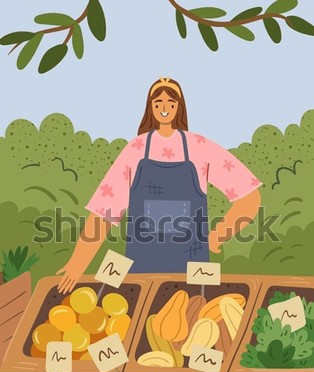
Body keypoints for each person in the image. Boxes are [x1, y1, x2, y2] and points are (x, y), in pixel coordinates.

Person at [57, 78, 261, 293]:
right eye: (158, 103)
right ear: (150, 108)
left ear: (179, 108)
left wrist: (218, 235)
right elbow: (103, 212)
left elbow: (250, 197)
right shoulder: (135, 149)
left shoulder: (199, 147)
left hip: (194, 269)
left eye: (171, 103)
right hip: (142, 269)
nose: (164, 108)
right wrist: (76, 264)